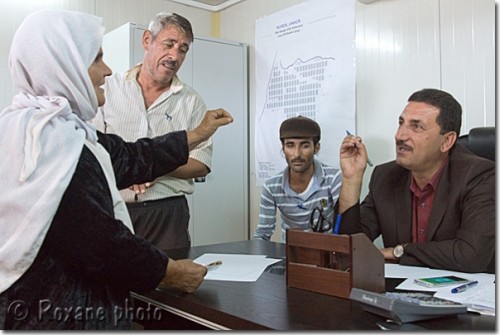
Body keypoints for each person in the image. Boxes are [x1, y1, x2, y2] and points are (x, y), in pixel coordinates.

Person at [0, 9, 233, 330]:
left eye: (183, 48)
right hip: (60, 311)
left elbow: (126, 156)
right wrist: (171, 273)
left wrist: (196, 134)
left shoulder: (34, 125)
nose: (106, 71)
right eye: (96, 59)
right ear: (65, 64)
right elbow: (99, 241)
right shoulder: (54, 142)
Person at [337, 88, 495, 273]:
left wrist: (400, 251)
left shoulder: (481, 176)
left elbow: (470, 255)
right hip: (402, 293)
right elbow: (349, 248)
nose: (400, 136)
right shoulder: (385, 176)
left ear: (447, 141)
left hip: (467, 294)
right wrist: (351, 180)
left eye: (416, 126)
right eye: (401, 123)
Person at [92, 12, 213, 250]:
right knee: (114, 283)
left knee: (172, 282)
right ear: (147, 40)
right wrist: (132, 169)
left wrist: (155, 168)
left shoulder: (192, 101)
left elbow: (201, 163)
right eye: (169, 44)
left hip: (167, 215)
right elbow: (94, 150)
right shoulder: (108, 89)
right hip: (115, 208)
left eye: (183, 49)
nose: (174, 56)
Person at [253, 116, 342, 242]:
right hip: (289, 254)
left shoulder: (333, 178)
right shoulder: (271, 186)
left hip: (326, 255)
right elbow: (263, 233)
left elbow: (345, 227)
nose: (297, 154)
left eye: (304, 146)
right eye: (290, 145)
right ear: (283, 148)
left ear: (316, 148)